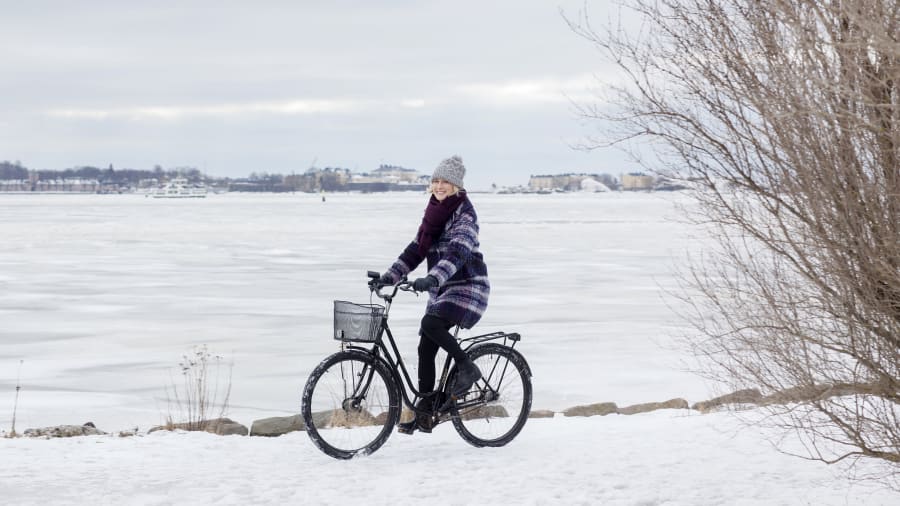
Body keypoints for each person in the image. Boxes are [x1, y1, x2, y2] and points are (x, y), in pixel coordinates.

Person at [378, 155, 490, 434]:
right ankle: (425, 414)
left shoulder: (465, 214)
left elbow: (457, 253)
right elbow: (416, 249)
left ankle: (467, 368)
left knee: (431, 324)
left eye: (446, 182)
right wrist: (390, 276)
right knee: (425, 347)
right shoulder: (434, 212)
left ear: (456, 186)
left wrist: (432, 278)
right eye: (436, 181)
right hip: (442, 288)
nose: (439, 186)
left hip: (468, 286)